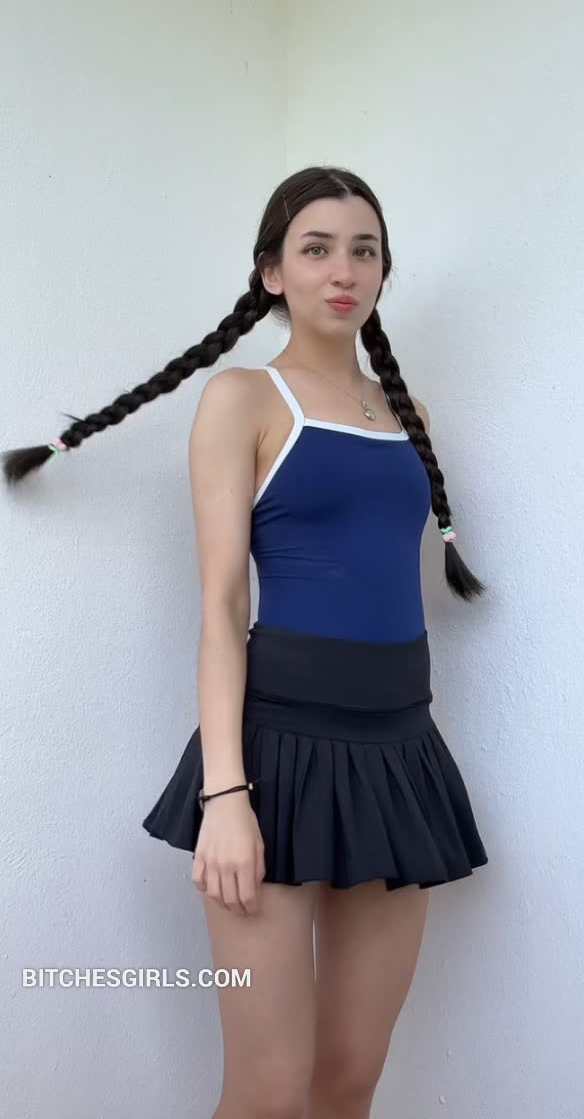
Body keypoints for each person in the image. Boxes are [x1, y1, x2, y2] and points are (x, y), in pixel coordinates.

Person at [3, 165, 489, 1119]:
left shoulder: (410, 417)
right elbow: (224, 606)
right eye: (316, 250)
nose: (343, 271)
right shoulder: (243, 398)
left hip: (400, 755)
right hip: (274, 761)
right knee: (267, 1094)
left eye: (364, 251)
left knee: (348, 1082)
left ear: (383, 271)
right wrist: (226, 796)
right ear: (272, 272)